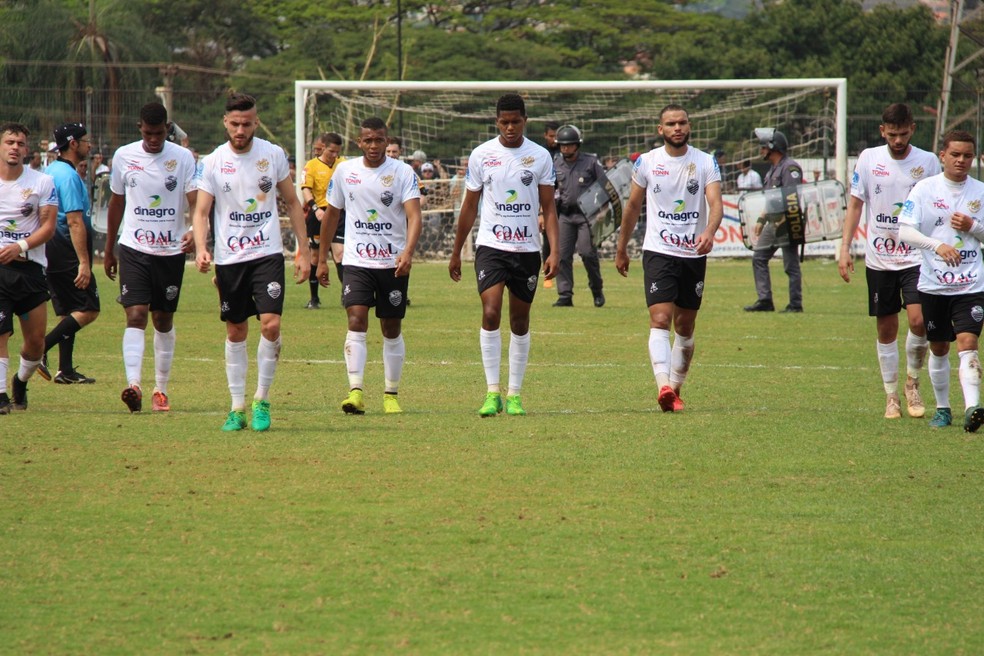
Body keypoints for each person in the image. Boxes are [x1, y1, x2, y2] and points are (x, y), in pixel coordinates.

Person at [191, 93, 310, 432]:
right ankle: (236, 406)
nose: (241, 130)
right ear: (225, 123)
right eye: (235, 124)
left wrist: (305, 250)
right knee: (236, 329)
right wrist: (201, 248)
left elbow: (291, 202)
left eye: (247, 123)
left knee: (270, 325)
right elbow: (201, 211)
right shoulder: (213, 161)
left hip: (267, 253)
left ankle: (261, 399)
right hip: (230, 259)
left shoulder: (272, 154)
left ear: (256, 122)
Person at [448, 93, 559, 417]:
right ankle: (492, 392)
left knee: (520, 321)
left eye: (516, 121)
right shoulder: (482, 155)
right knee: (491, 311)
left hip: (526, 249)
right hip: (491, 247)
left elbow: (549, 208)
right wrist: (456, 251)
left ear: (525, 121)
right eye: (504, 122)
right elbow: (470, 206)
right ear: (496, 122)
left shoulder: (539, 157)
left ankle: (515, 395)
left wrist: (554, 252)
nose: (510, 127)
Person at [614, 104, 723, 413]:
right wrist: (622, 248)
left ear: (689, 126)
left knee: (685, 326)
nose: (678, 128)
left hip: (692, 254)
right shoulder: (647, 162)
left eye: (682, 122)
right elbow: (633, 207)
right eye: (671, 124)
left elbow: (715, 204)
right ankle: (663, 384)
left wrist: (710, 231)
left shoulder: (705, 162)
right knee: (660, 319)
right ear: (660, 130)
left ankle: (675, 388)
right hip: (658, 252)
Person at [838, 102, 939, 420]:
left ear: (913, 129)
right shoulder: (868, 159)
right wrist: (844, 248)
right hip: (879, 258)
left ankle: (912, 383)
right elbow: (855, 205)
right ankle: (891, 395)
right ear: (883, 131)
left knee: (919, 321)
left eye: (903, 133)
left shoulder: (928, 161)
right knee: (886, 329)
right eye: (892, 134)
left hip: (915, 256)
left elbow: (938, 207)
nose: (898, 140)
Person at [316, 117, 422, 415]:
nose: (374, 145)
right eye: (368, 140)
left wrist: (408, 252)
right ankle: (356, 391)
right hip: (357, 261)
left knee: (390, 326)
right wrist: (321, 258)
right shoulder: (345, 171)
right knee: (356, 318)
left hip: (392, 263)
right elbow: (332, 216)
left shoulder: (402, 173)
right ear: (358, 142)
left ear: (386, 141)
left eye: (379, 140)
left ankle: (391, 394)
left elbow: (414, 216)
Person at [104, 101, 198, 413]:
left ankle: (161, 388)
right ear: (139, 129)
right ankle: (134, 386)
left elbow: (195, 200)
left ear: (166, 129)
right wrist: (109, 248)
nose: (153, 139)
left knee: (162, 318)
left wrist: (196, 231)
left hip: (170, 252)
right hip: (133, 248)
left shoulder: (182, 158)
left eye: (158, 133)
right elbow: (117, 202)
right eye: (148, 133)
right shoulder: (124, 156)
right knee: (135, 315)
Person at [898, 130, 984, 431]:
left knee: (968, 342)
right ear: (942, 156)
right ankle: (943, 408)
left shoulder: (980, 192)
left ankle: (973, 408)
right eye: (956, 155)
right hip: (934, 284)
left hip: (972, 285)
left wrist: (974, 226)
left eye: (968, 156)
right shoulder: (925, 189)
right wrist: (937, 245)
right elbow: (905, 231)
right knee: (938, 348)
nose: (961, 161)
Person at [0, 122, 58, 414]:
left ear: (27, 149)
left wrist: (20, 247)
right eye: (10, 142)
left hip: (30, 268)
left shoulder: (41, 182)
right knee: (0, 330)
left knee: (35, 344)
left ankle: (20, 380)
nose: (15, 147)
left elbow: (48, 226)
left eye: (20, 143)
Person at [37, 122, 99, 384]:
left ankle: (65, 370)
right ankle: (40, 348)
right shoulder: (69, 176)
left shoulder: (50, 170)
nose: (89, 145)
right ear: (73, 144)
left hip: (49, 250)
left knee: (68, 311)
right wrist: (84, 262)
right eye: (86, 140)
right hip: (66, 250)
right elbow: (74, 221)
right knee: (89, 309)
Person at [744, 128, 805, 313]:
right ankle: (765, 301)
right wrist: (761, 220)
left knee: (790, 265)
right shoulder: (772, 170)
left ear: (774, 147)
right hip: (773, 223)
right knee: (759, 258)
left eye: (764, 146)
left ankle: (795, 304)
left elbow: (791, 197)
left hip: (788, 223)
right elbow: (771, 199)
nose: (761, 150)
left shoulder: (790, 168)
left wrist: (783, 222)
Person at [552, 124, 606, 308]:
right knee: (561, 255)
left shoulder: (591, 162)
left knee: (587, 252)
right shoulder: (555, 164)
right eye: (562, 145)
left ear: (577, 145)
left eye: (568, 145)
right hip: (565, 216)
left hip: (587, 216)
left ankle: (597, 289)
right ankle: (565, 295)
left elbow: (606, 186)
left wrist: (604, 210)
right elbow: (550, 190)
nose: (564, 148)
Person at [300, 132, 344, 309]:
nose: (334, 155)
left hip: (339, 214)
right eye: (331, 151)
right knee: (316, 256)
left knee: (340, 253)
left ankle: (347, 294)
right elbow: (306, 189)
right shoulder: (311, 166)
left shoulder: (343, 165)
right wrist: (316, 209)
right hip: (318, 214)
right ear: (323, 147)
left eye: (337, 152)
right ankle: (314, 298)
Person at [540, 121, 560, 289]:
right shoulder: (540, 154)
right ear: (545, 135)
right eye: (551, 136)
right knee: (547, 237)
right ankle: (546, 272)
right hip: (547, 200)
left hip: (565, 200)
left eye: (557, 136)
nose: (554, 139)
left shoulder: (566, 150)